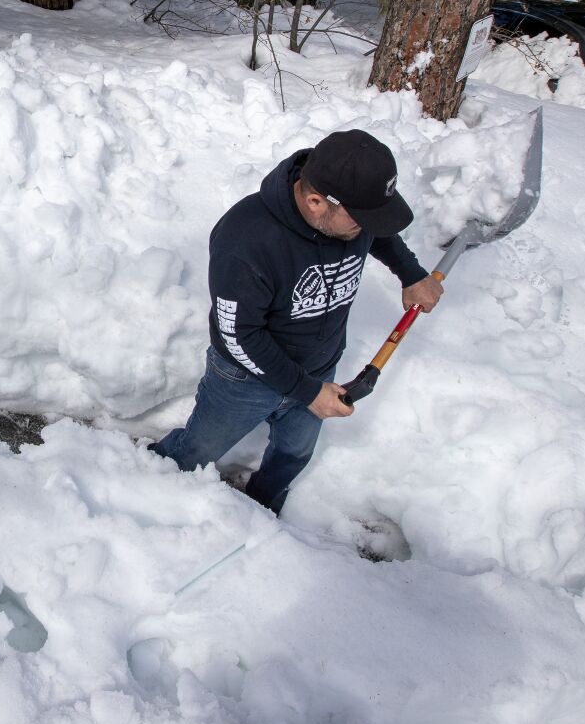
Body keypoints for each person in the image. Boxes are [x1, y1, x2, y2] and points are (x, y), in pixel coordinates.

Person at [151, 129, 443, 515]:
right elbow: (237, 333)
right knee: (200, 449)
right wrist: (307, 391)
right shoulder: (246, 240)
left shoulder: (350, 213)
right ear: (316, 201)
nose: (367, 227)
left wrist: (411, 273)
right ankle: (152, 483)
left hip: (319, 368)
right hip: (245, 379)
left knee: (293, 454)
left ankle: (261, 509)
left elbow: (378, 233)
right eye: (361, 219)